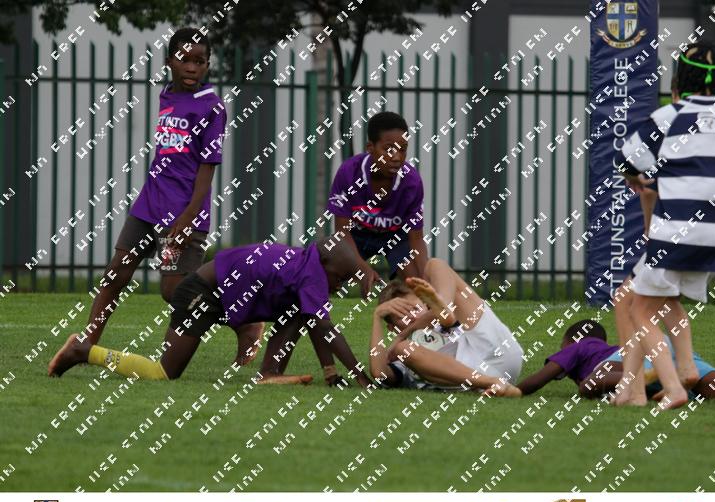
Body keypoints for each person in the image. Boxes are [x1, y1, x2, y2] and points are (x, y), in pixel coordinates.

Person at [68, 28, 264, 356]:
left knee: (174, 291)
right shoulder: (167, 95)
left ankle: (244, 322)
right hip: (149, 207)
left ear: (208, 65)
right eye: (184, 59)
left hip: (181, 215)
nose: (191, 67)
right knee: (116, 273)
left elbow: (207, 170)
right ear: (169, 61)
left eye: (199, 61)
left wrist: (187, 218)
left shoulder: (212, 108)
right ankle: (86, 344)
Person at [613, 42, 715, 408]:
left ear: (678, 79)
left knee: (640, 309)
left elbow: (628, 158)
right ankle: (642, 386)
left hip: (676, 229)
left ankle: (674, 386)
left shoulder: (669, 117)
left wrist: (641, 177)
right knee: (659, 299)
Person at [48, 236, 373, 387]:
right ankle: (83, 351)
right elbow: (326, 328)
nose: (340, 285)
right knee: (163, 373)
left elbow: (316, 324)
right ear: (325, 264)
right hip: (200, 294)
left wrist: (331, 374)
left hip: (224, 293)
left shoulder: (307, 262)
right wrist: (361, 375)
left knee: (301, 313)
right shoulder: (312, 274)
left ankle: (269, 372)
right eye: (340, 278)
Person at [368, 258, 523, 396]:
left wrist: (403, 334)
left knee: (434, 264)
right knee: (403, 349)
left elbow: (435, 316)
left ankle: (445, 304)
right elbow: (379, 374)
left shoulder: (440, 318)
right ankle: (494, 383)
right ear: (392, 327)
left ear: (426, 304)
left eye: (415, 309)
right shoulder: (399, 356)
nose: (413, 316)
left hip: (500, 352)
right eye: (402, 315)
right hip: (473, 379)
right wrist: (377, 316)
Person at [518, 320, 715, 404]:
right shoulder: (604, 347)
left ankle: (651, 377)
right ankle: (668, 379)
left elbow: (539, 380)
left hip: (637, 357)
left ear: (570, 342)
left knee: (589, 385)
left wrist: (514, 390)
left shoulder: (580, 346)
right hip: (669, 347)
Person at [327, 111, 429, 292]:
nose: (397, 157)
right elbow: (342, 232)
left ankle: (410, 303)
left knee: (416, 283)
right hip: (357, 234)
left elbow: (416, 238)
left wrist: (426, 281)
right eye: (389, 149)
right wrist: (363, 268)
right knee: (326, 271)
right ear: (370, 147)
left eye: (403, 149)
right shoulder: (349, 173)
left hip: (395, 237)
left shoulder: (411, 181)